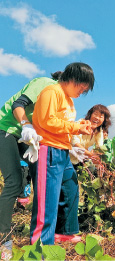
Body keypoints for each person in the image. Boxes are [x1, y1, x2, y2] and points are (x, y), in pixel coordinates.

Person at [30, 62, 94, 245]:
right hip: (48, 150)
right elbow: (46, 120)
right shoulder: (52, 91)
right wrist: (76, 127)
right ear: (74, 78)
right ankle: (40, 249)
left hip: (63, 151)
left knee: (70, 189)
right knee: (46, 204)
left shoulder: (69, 100)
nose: (84, 90)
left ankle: (64, 232)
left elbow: (62, 123)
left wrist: (80, 126)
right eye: (83, 86)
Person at [0, 74, 61, 255]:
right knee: (13, 182)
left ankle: (39, 239)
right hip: (8, 129)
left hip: (26, 139)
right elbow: (18, 104)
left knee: (41, 179)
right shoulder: (46, 84)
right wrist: (26, 124)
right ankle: (4, 240)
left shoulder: (59, 102)